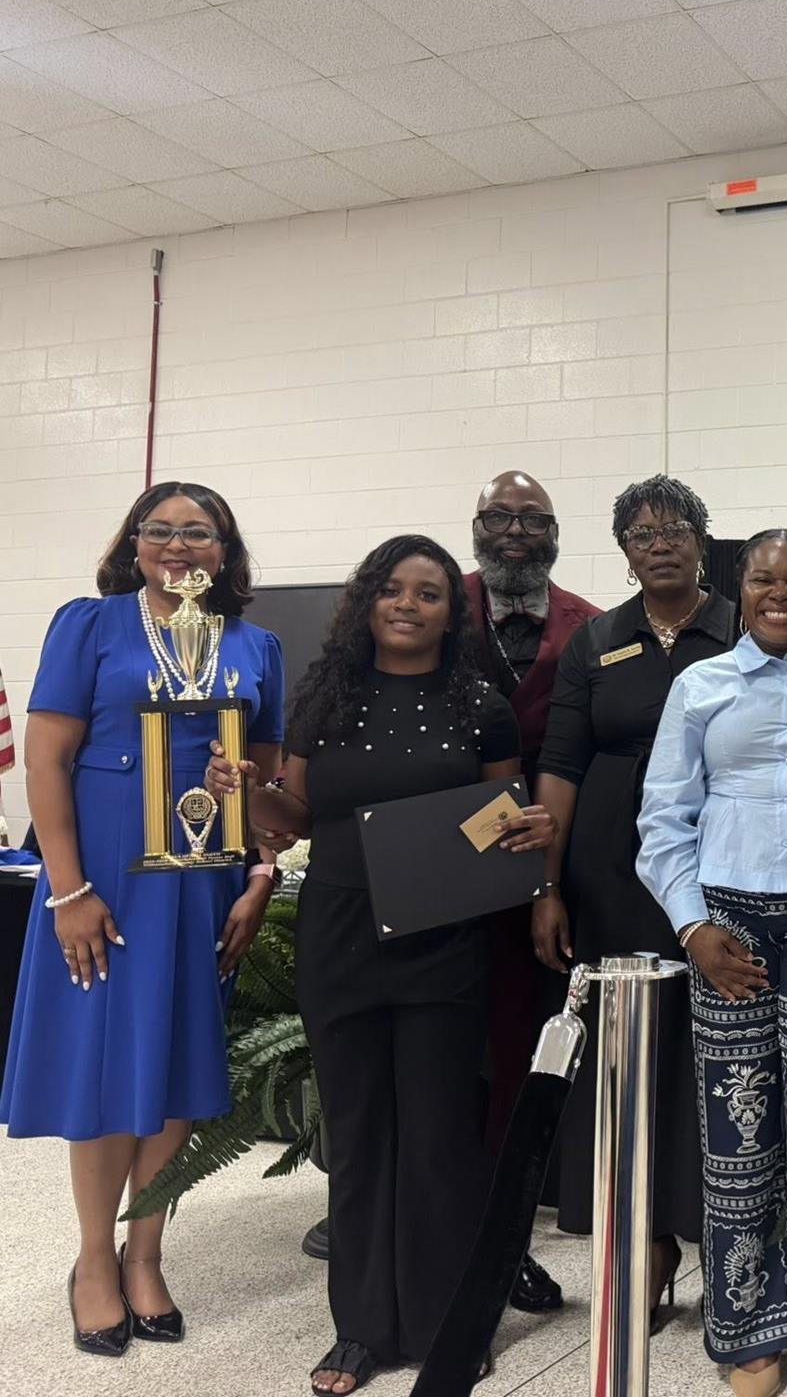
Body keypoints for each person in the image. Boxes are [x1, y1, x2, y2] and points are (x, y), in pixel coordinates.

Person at [211, 535, 557, 1396]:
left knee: (440, 1136)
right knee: (359, 1135)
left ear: (452, 610)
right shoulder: (324, 696)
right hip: (341, 933)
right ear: (367, 600)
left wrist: (530, 832)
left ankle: (450, 1319)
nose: (408, 604)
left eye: (430, 593)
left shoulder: (481, 705)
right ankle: (361, 1326)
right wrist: (243, 789)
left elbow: (502, 821)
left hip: (444, 942)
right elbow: (287, 817)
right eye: (393, 589)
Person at [0, 482, 284, 1357]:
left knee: (178, 1068)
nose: (178, 544)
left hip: (204, 884)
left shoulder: (256, 645)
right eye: (158, 530)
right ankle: (92, 1258)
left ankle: (146, 1250)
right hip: (107, 885)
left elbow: (266, 781)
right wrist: (68, 888)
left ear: (226, 552)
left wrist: (259, 874)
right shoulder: (88, 626)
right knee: (105, 1069)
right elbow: (45, 761)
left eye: (199, 532)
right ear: (133, 544)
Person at [637, 528, 787, 1397]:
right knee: (738, 1141)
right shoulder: (700, 685)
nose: (780, 592)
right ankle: (747, 1330)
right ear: (739, 587)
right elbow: (664, 817)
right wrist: (692, 927)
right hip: (726, 926)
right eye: (764, 578)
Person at [534, 475, 737, 1314]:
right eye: (641, 532)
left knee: (715, 1053)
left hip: (720, 862)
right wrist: (546, 885)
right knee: (629, 1056)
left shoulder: (740, 623)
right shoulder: (596, 642)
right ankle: (645, 1244)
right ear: (622, 551)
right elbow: (561, 762)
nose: (659, 542)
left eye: (675, 526)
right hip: (610, 875)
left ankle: (723, 1239)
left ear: (702, 538)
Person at [463, 468, 599, 1313]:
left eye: (535, 518)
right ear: (477, 525)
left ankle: (504, 1243)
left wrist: (549, 882)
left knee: (521, 1064)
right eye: (501, 516)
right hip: (440, 878)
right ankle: (431, 1231)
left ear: (555, 532)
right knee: (443, 1066)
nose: (517, 530)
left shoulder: (587, 625)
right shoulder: (435, 603)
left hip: (551, 881)